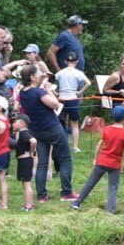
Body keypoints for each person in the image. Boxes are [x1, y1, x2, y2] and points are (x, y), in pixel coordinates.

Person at [18, 64, 76, 202]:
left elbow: (35, 94)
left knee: (42, 163)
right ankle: (66, 193)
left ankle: (42, 196)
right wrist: (48, 89)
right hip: (52, 128)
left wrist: (42, 80)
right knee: (65, 159)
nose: (40, 75)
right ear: (32, 77)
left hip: (37, 131)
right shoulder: (39, 92)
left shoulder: (23, 93)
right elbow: (55, 104)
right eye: (37, 74)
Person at [71, 106, 124, 214]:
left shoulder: (107, 129)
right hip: (115, 165)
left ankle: (77, 202)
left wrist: (95, 158)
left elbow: (99, 144)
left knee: (90, 182)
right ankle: (110, 211)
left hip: (102, 161)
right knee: (113, 187)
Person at [55, 51, 91, 152]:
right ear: (77, 61)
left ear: (66, 61)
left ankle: (62, 145)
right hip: (73, 99)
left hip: (61, 99)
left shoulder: (60, 73)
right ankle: (75, 147)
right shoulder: (79, 73)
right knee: (74, 124)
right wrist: (80, 92)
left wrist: (56, 93)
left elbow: (49, 81)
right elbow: (88, 83)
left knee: (61, 123)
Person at [12, 114, 37, 211]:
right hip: (24, 161)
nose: (13, 124)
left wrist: (32, 151)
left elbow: (33, 141)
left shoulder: (23, 133)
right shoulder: (24, 132)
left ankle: (29, 206)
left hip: (25, 161)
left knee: (26, 184)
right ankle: (29, 204)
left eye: (15, 122)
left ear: (22, 124)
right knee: (25, 183)